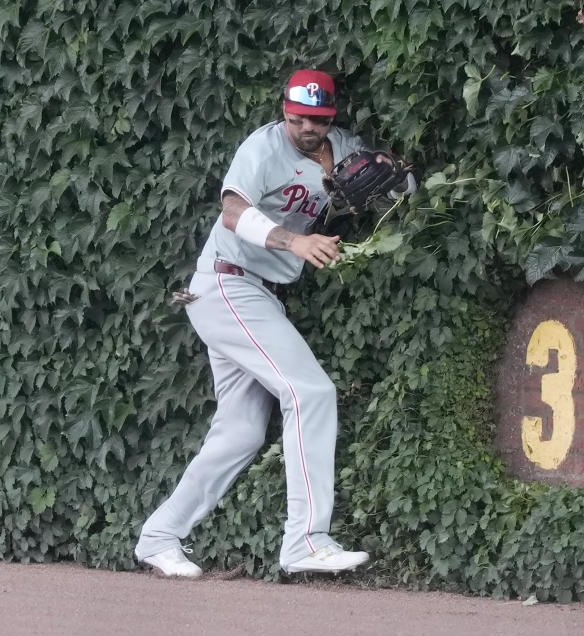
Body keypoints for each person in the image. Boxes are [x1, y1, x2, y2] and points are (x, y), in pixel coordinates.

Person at [133, 69, 415, 577]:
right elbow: (233, 213)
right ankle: (305, 540)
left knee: (240, 431)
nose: (306, 125)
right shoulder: (263, 149)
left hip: (254, 293)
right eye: (297, 116)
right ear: (284, 109)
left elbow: (400, 187)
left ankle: (158, 537)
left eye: (317, 118)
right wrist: (296, 241)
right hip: (226, 283)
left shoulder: (342, 146)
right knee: (310, 392)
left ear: (331, 117)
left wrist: (398, 178)